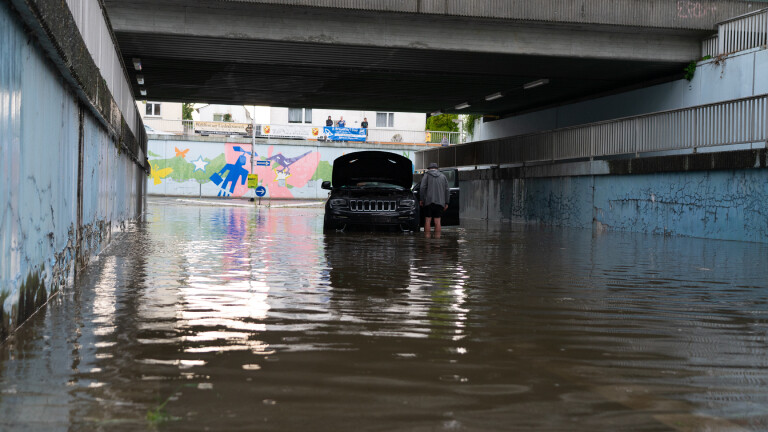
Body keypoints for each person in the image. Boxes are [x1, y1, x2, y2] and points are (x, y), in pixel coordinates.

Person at [419, 162, 450, 235]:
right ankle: (437, 242)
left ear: (429, 169)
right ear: (437, 169)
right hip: (440, 202)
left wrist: (421, 199)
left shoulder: (426, 175)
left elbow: (422, 187)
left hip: (428, 201)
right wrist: (446, 202)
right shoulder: (443, 176)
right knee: (438, 221)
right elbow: (447, 190)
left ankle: (427, 242)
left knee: (427, 220)